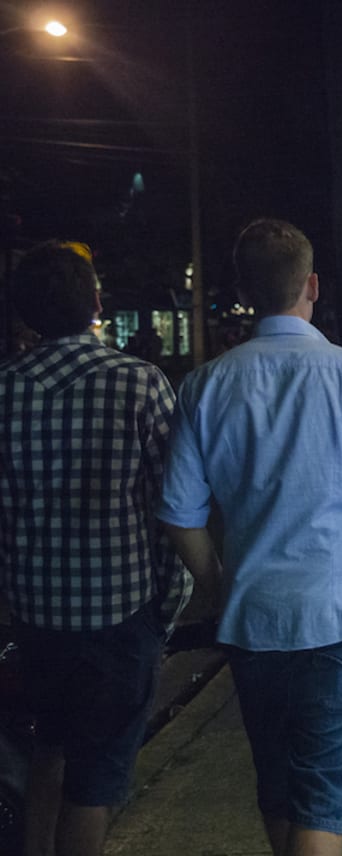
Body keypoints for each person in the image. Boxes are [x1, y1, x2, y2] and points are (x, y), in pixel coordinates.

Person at [158, 219, 342, 856]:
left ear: (246, 290)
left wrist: (222, 586)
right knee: (323, 808)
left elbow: (179, 515)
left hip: (255, 625)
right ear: (313, 285)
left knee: (280, 795)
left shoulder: (205, 385)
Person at [0, 240, 192, 856]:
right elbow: (173, 511)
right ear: (96, 304)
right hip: (118, 618)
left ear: (26, 313)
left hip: (32, 617)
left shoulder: (4, 390)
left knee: (47, 757)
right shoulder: (138, 383)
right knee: (97, 780)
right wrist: (166, 609)